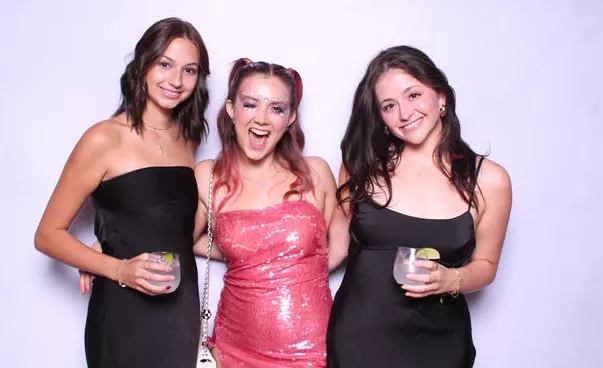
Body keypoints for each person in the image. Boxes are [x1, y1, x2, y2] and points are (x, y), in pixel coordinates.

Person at [34, 17, 210, 368]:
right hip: (124, 310)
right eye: (165, 64)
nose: (176, 81)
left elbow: (170, 226)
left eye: (189, 70)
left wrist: (110, 237)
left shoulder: (186, 139)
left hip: (180, 308)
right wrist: (114, 266)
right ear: (143, 63)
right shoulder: (103, 139)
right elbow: (46, 236)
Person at [326, 45, 512, 367]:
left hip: (440, 344)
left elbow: (486, 264)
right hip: (359, 340)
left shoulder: (489, 180)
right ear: (381, 117)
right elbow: (332, 250)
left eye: (413, 95)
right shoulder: (360, 167)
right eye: (389, 105)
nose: (404, 113)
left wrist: (448, 280)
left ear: (441, 97)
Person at [192, 58, 336, 367]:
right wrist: (115, 241)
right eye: (250, 104)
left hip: (314, 347)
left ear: (290, 118)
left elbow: (339, 245)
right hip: (236, 348)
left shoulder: (317, 173)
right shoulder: (208, 176)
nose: (262, 119)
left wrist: (289, 270)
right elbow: (175, 238)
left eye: (276, 108)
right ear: (231, 108)